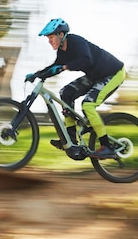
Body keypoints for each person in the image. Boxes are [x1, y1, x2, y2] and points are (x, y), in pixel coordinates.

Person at [24, 18, 126, 159]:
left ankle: (107, 147)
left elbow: (86, 60)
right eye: (48, 38)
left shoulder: (76, 42)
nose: (49, 41)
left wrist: (65, 67)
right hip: (95, 75)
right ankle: (71, 140)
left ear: (61, 35)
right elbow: (55, 67)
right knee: (66, 93)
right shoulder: (62, 52)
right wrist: (37, 75)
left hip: (113, 73)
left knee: (88, 104)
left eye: (51, 37)